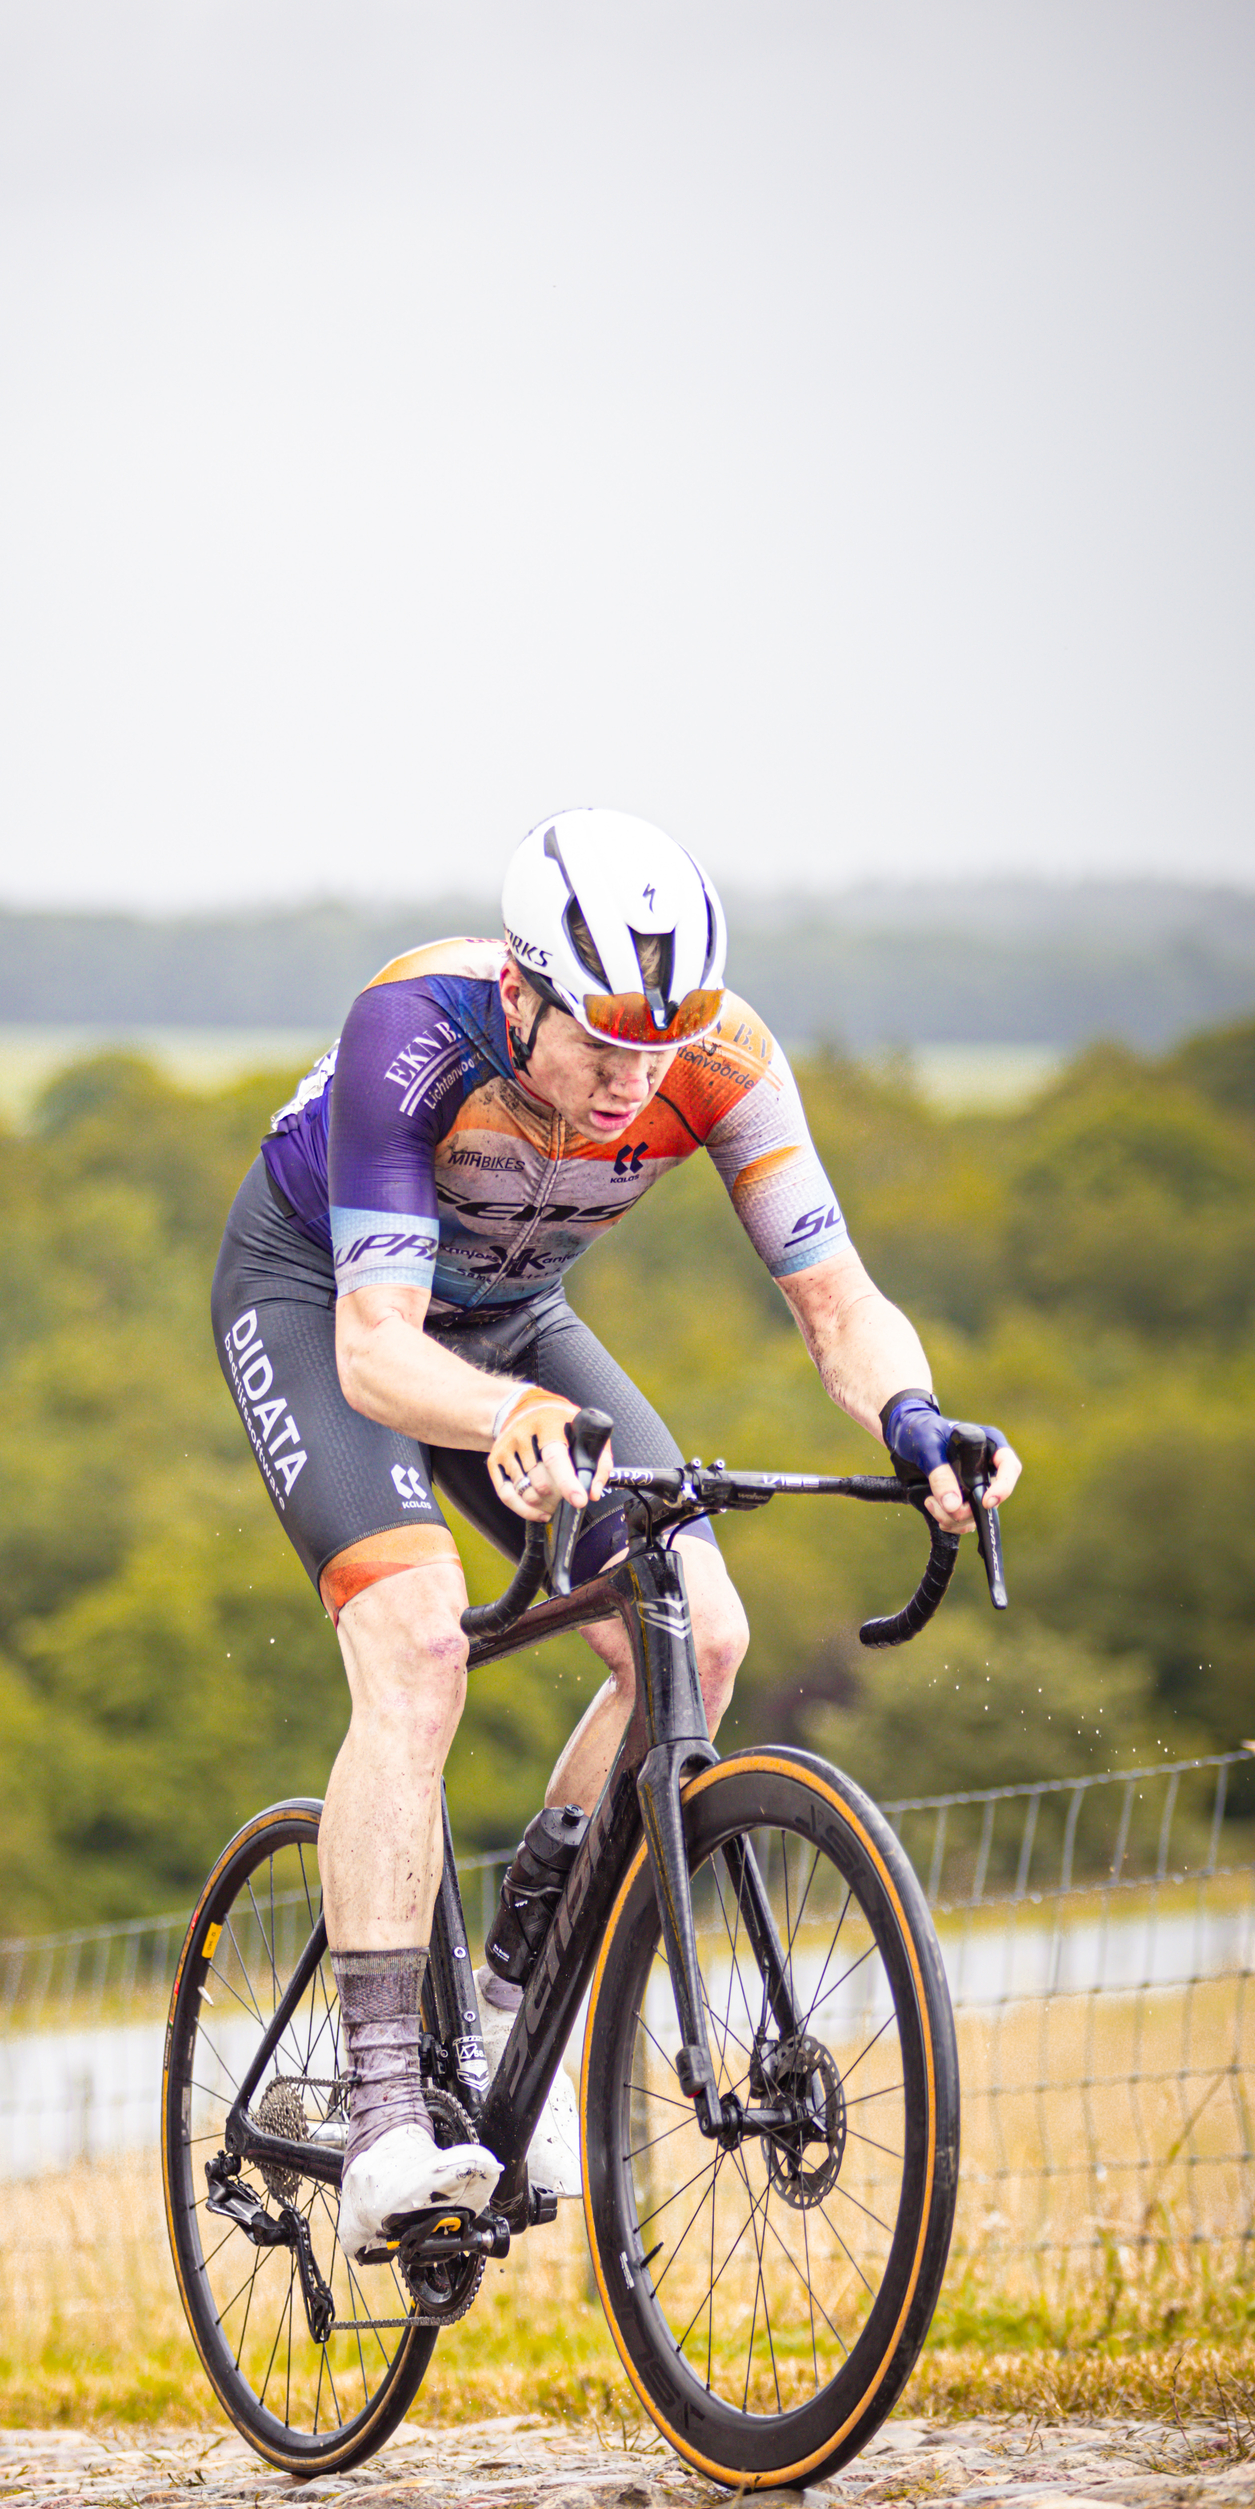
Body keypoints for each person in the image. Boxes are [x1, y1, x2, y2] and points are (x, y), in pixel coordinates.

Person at [211, 808, 1020, 2260]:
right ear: (520, 993)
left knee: (699, 1636)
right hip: (323, 1304)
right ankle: (388, 2109)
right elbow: (380, 1355)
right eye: (597, 1047)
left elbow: (837, 1302)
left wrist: (915, 1419)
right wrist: (508, 1414)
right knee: (415, 1644)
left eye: (659, 1052)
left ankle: (515, 2007)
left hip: (517, 1316)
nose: (628, 1086)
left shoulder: (721, 1061)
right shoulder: (414, 1034)